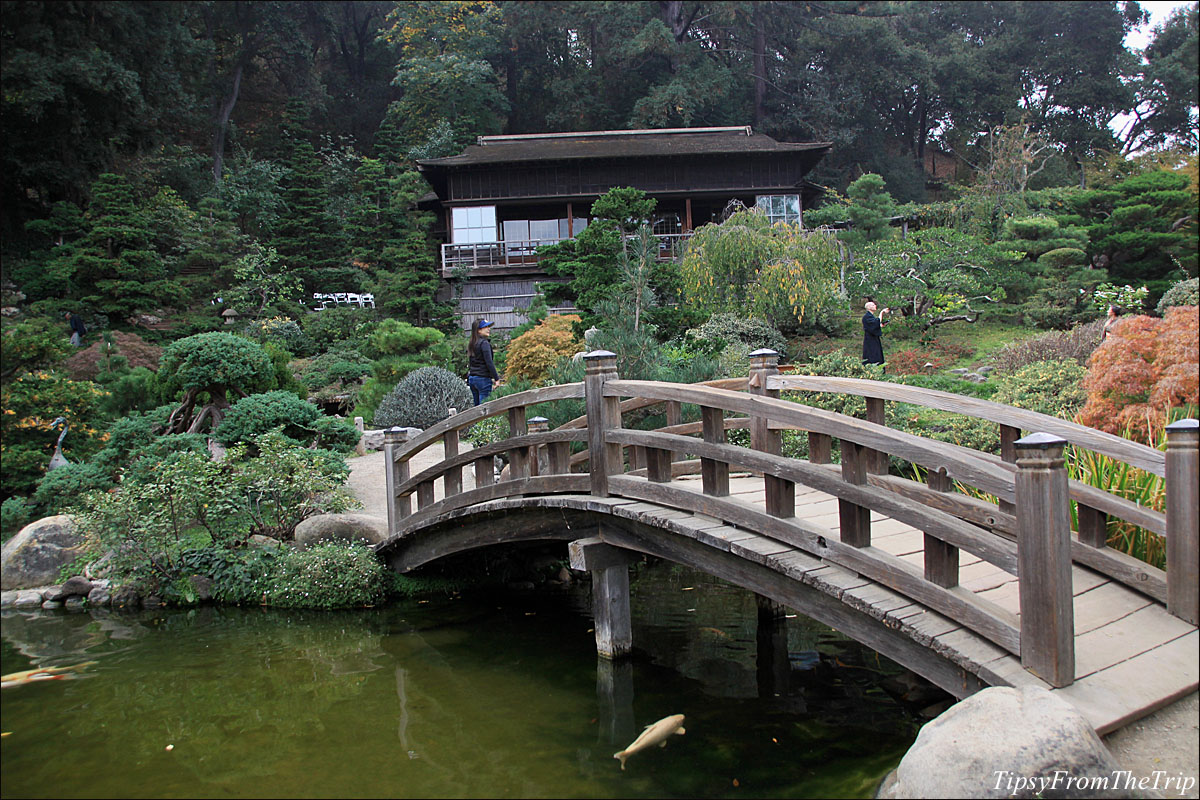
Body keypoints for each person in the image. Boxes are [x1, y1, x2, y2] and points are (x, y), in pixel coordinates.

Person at [467, 318, 500, 406]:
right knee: (484, 410)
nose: (488, 329)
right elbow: (489, 362)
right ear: (479, 330)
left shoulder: (472, 343)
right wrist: (496, 378)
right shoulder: (484, 344)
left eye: (489, 326)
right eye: (486, 327)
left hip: (472, 378)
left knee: (476, 409)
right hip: (483, 380)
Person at [861, 300, 889, 365]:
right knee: (872, 354)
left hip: (874, 338)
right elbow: (875, 323)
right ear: (869, 308)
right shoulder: (867, 316)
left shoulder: (870, 316)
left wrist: (881, 325)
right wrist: (882, 312)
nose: (875, 306)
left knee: (877, 353)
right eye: (873, 305)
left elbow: (874, 326)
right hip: (870, 340)